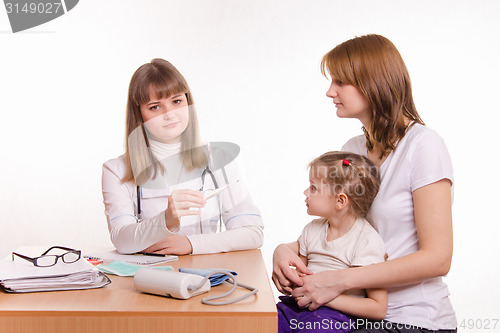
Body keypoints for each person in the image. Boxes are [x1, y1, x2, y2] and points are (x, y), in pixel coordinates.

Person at [272, 34, 457, 332]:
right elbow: (345, 231)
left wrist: (338, 281)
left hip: (411, 319)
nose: (330, 92)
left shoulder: (423, 146)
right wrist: (284, 249)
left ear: (374, 82)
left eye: (340, 82)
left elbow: (437, 259)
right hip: (349, 314)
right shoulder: (353, 150)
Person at [102, 58, 263, 255]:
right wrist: (165, 220)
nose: (169, 114)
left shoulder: (219, 159)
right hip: (149, 279)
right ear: (139, 113)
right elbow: (122, 241)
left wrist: (190, 244)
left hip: (207, 278)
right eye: (155, 107)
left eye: (177, 101)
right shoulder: (116, 170)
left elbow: (253, 233)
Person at [277, 151, 387, 333]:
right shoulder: (312, 229)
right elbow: (301, 274)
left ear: (340, 200)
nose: (305, 193)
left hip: (334, 316)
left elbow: (377, 308)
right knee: (261, 321)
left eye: (313, 188)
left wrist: (326, 297)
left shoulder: (366, 240)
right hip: (297, 307)